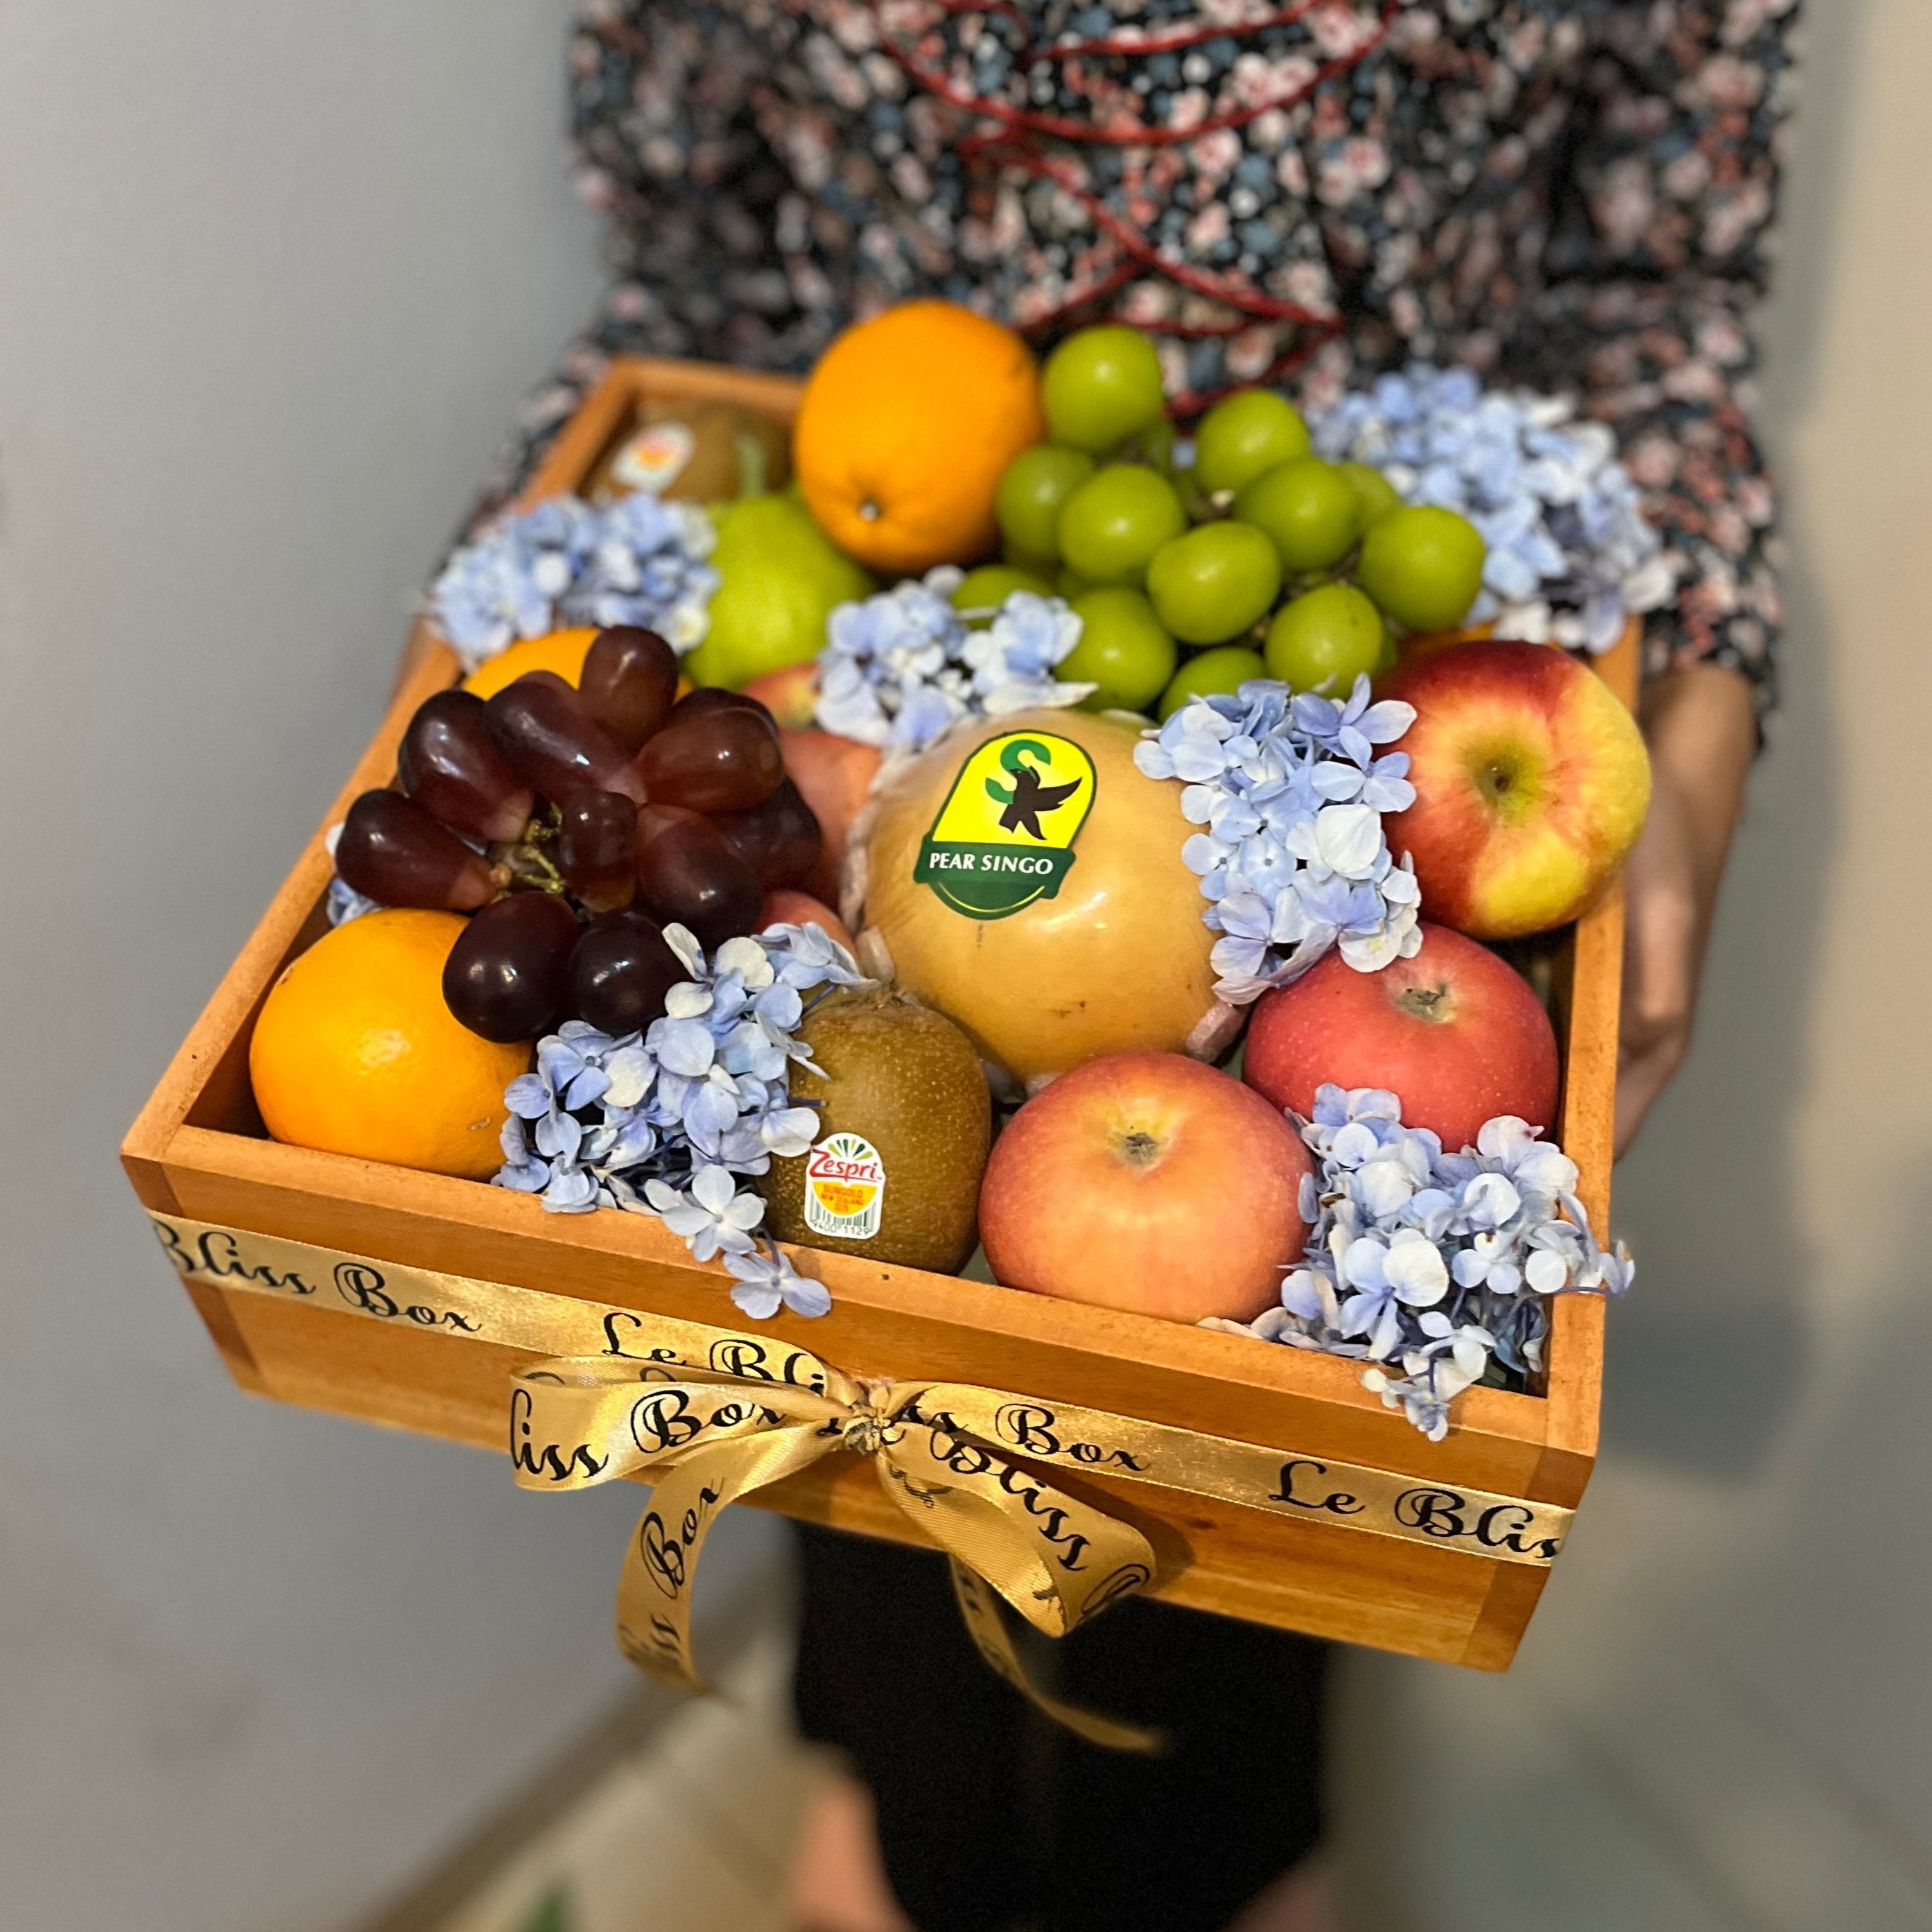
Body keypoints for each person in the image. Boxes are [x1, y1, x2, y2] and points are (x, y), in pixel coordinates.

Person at [488, 3, 1793, 1925]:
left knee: (1238, 1581)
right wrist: (511, 643)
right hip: (861, 697)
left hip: (1391, 767)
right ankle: (891, 1821)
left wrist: (1691, 744)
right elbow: (689, 282)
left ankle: (1229, 1855)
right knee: (858, 1301)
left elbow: (1652, 306)